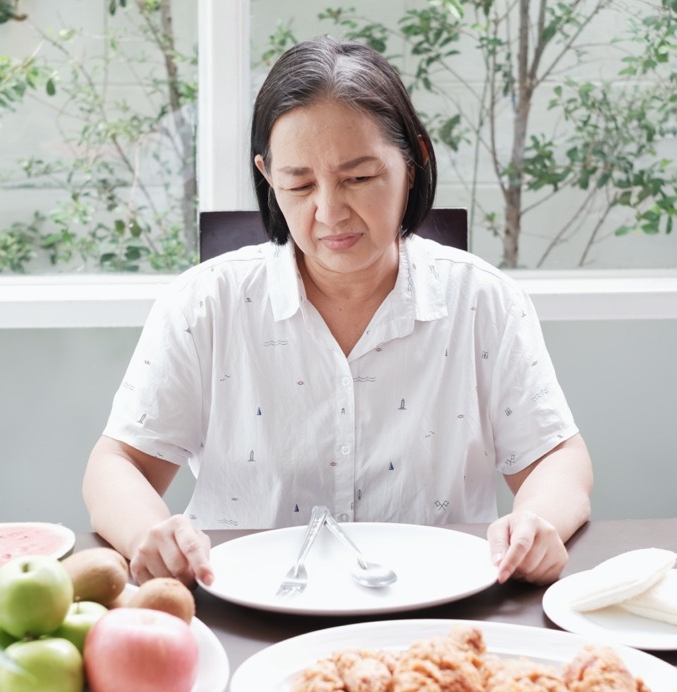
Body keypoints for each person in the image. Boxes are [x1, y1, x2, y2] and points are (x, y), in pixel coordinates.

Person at [83, 36, 592, 588]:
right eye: (299, 183)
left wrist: (537, 521)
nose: (330, 212)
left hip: (438, 605)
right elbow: (116, 464)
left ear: (414, 159)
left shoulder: (482, 300)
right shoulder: (205, 304)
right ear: (267, 175)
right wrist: (148, 533)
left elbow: (556, 456)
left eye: (358, 178)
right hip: (247, 606)